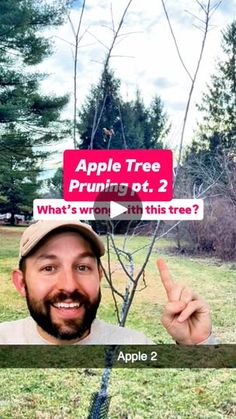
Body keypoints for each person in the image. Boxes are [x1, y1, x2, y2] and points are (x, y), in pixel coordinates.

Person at [0, 220, 217, 345]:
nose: (69, 285)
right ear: (21, 283)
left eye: (82, 267)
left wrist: (198, 345)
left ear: (100, 276)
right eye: (49, 268)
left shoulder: (133, 345)